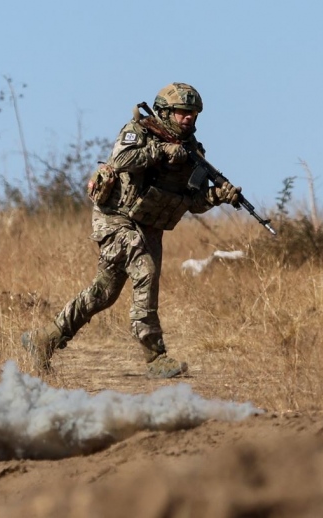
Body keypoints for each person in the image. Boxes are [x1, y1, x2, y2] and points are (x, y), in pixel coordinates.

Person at [21, 82, 241, 379]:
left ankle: (44, 338)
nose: (188, 117)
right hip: (116, 218)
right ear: (165, 112)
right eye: (181, 111)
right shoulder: (140, 131)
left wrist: (219, 196)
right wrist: (160, 150)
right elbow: (121, 160)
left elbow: (193, 201)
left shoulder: (193, 153)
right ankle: (155, 357)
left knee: (103, 294)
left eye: (193, 112)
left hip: (149, 225)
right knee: (145, 270)